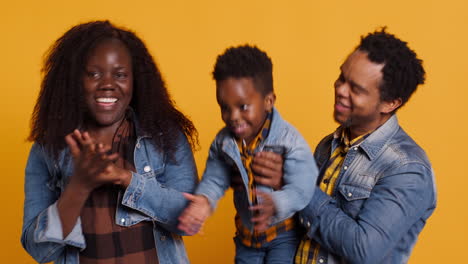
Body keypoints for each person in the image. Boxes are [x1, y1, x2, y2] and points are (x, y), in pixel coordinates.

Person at [21, 20, 199, 264]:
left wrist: (124, 178)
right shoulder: (47, 149)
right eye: (93, 74)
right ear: (73, 80)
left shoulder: (165, 137)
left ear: (136, 81)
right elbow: (38, 250)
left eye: (120, 74)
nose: (107, 84)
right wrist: (79, 186)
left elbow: (189, 221)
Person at [260, 28, 437, 264]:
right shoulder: (328, 146)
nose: (340, 90)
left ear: (390, 103)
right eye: (342, 78)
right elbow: (300, 228)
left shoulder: (407, 169)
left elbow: (364, 250)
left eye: (356, 89)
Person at [178, 45, 318, 263]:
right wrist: (204, 201)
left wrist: (277, 203)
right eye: (225, 107)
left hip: (283, 236)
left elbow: (304, 186)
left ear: (268, 101)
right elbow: (216, 178)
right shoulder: (224, 141)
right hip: (246, 237)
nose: (233, 116)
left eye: (243, 106)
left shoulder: (289, 141)